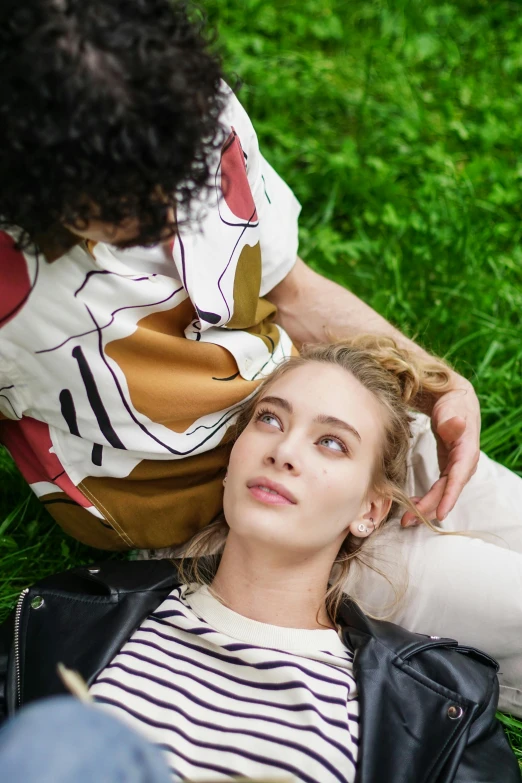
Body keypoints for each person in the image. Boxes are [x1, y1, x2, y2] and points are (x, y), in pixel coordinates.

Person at [0, 0, 521, 716]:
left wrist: (431, 381)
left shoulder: (182, 107)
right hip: (227, 522)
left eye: (180, 175)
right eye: (124, 206)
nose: (169, 212)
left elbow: (291, 287)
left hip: (327, 414)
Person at [0, 338, 519, 782]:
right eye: (270, 419)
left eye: (332, 443)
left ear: (369, 510)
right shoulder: (63, 613)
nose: (285, 450)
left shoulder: (440, 701)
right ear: (232, 458)